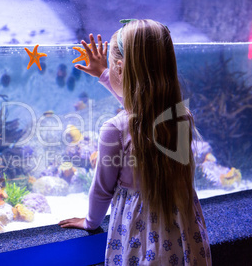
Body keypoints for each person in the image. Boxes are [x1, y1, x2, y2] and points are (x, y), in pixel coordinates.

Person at [58, 19, 212, 265]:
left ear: (120, 67)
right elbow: (143, 107)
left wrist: (90, 222)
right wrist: (105, 74)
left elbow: (102, 189)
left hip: (140, 236)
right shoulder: (181, 117)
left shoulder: (114, 130)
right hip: (184, 235)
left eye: (112, 67)